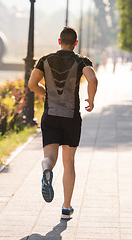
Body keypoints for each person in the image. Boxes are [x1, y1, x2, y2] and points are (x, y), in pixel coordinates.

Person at [28, 26, 98, 220]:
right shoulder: (81, 60)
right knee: (69, 163)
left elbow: (31, 84)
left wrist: (46, 94)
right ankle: (66, 208)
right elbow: (92, 79)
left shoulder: (45, 60)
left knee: (49, 157)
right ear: (75, 43)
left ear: (59, 41)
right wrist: (91, 100)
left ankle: (47, 170)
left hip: (50, 115)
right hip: (71, 118)